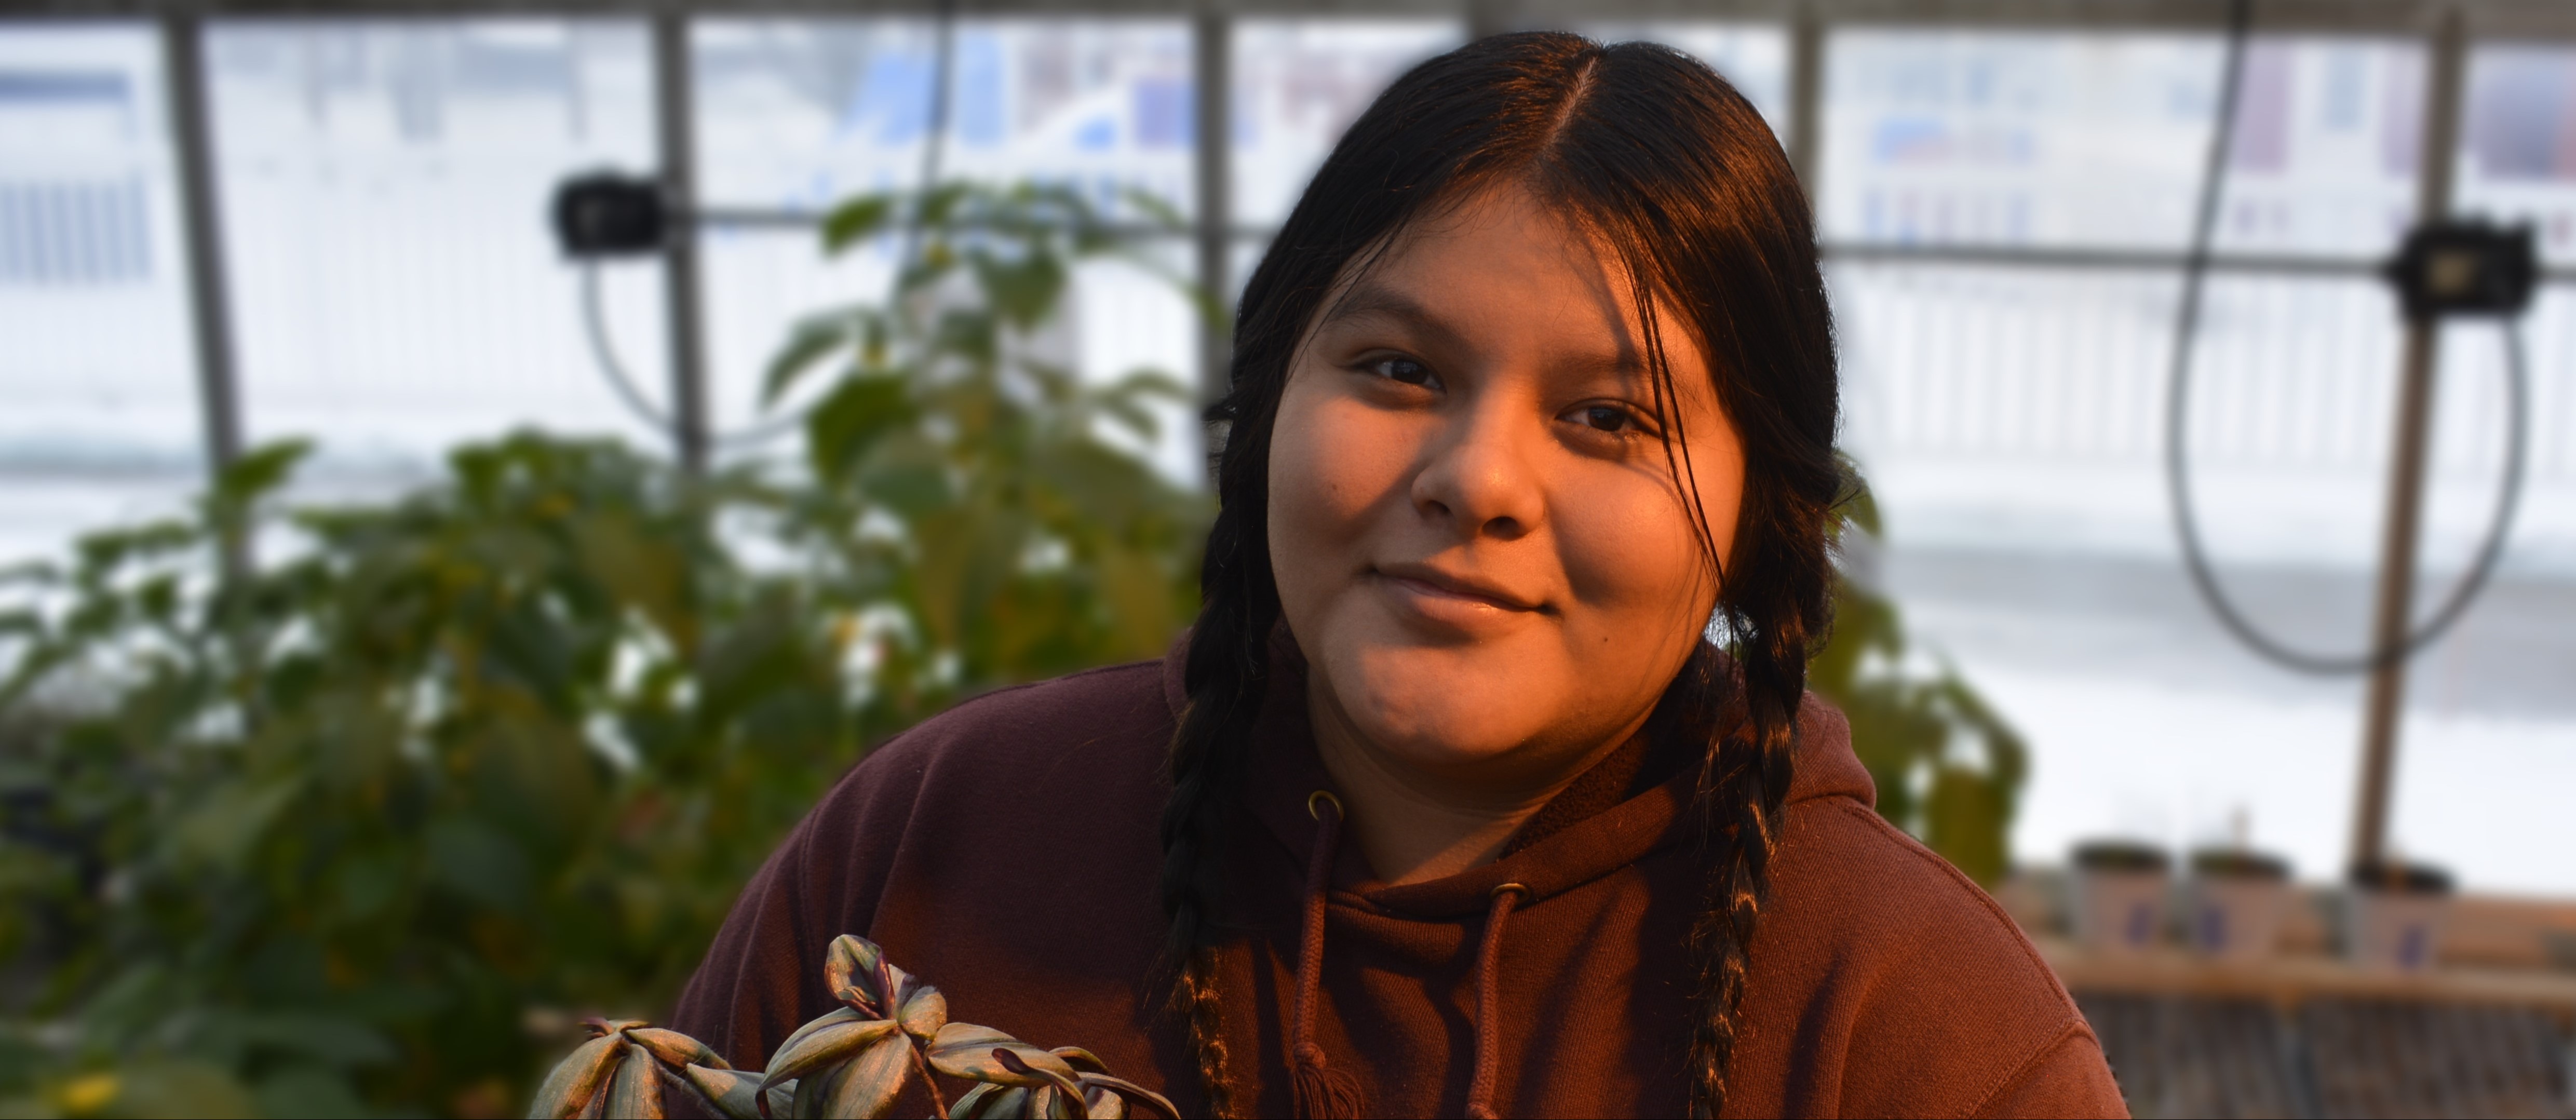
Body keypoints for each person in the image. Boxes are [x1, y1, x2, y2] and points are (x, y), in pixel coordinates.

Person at [673, 32, 2127, 1118]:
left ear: (1757, 525)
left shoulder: (1930, 1042)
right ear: (1266, 416)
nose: (1475, 479)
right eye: (1394, 368)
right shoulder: (934, 847)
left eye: (1609, 419)